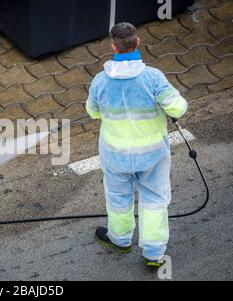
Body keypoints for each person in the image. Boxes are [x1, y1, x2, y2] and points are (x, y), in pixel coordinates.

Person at [86, 22, 188, 268]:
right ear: (138, 42)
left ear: (113, 47)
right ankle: (153, 254)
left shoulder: (100, 81)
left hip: (115, 154)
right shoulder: (153, 78)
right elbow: (178, 108)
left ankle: (120, 240)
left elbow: (92, 113)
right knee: (154, 199)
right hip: (152, 155)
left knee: (118, 197)